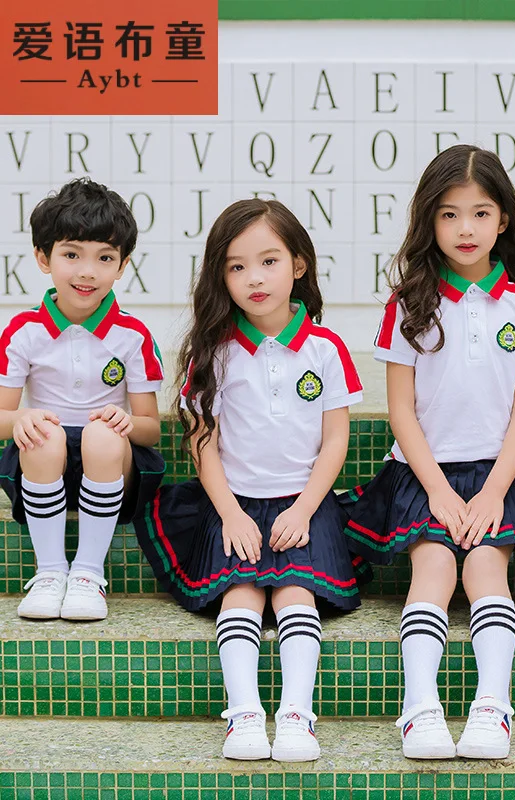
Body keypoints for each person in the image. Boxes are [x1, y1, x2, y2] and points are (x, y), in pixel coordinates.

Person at [344, 144, 515, 760]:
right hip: (423, 473)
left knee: (486, 567)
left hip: (499, 474)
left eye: (480, 213)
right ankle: (419, 710)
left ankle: (493, 707)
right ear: (428, 222)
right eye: (448, 214)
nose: (465, 229)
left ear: (504, 222)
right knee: (434, 566)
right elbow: (401, 412)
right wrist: (439, 491)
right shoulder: (409, 306)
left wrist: (494, 492)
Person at [133, 199, 363, 763]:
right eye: (236, 266)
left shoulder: (325, 347)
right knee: (240, 592)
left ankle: (296, 715)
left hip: (301, 505)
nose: (254, 278)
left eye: (268, 261)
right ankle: (242, 714)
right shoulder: (213, 350)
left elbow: (335, 440)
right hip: (232, 504)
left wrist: (306, 508)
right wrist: (231, 513)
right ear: (220, 275)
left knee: (294, 592)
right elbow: (202, 442)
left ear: (299, 265)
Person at [0, 178, 164, 621]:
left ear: (123, 265)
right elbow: (1, 415)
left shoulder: (133, 336)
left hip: (111, 463)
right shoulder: (22, 332)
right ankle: (51, 571)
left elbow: (151, 428)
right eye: (71, 254)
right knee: (43, 434)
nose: (87, 271)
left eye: (105, 258)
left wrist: (127, 423)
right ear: (43, 258)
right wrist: (23, 419)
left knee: (103, 434)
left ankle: (89, 574)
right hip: (42, 462)